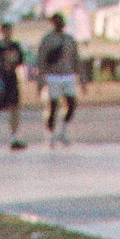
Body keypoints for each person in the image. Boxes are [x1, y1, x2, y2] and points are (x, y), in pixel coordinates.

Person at [34, 12, 84, 146]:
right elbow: (41, 60)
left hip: (68, 76)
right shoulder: (48, 39)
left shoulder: (69, 39)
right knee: (53, 106)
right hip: (53, 76)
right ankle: (50, 134)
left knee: (71, 104)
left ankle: (63, 130)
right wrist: (40, 81)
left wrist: (82, 79)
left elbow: (76, 59)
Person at [0, 21, 28, 150]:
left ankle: (14, 137)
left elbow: (19, 60)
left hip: (11, 79)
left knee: (14, 108)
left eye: (9, 31)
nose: (7, 34)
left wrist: (12, 61)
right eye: (5, 31)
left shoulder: (15, 45)